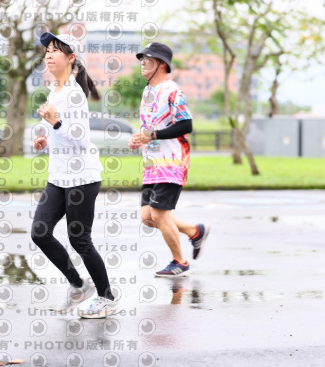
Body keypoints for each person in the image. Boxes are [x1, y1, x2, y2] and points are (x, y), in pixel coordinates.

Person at [30, 31, 118, 319]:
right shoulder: (54, 91)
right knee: (40, 232)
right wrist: (44, 139)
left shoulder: (74, 94)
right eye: (47, 51)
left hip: (82, 178)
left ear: (70, 58)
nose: (49, 55)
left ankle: (106, 297)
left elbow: (81, 139)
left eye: (55, 50)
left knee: (80, 240)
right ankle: (79, 285)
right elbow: (60, 136)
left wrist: (55, 123)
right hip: (59, 177)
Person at [128, 42, 210, 277]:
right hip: (152, 163)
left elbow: (186, 125)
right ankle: (195, 231)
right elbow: (151, 126)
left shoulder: (172, 91)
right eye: (142, 59)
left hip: (171, 162)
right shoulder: (148, 92)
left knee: (159, 215)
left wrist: (153, 135)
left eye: (148, 59)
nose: (143, 63)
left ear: (162, 64)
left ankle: (180, 262)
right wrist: (140, 138)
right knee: (147, 217)